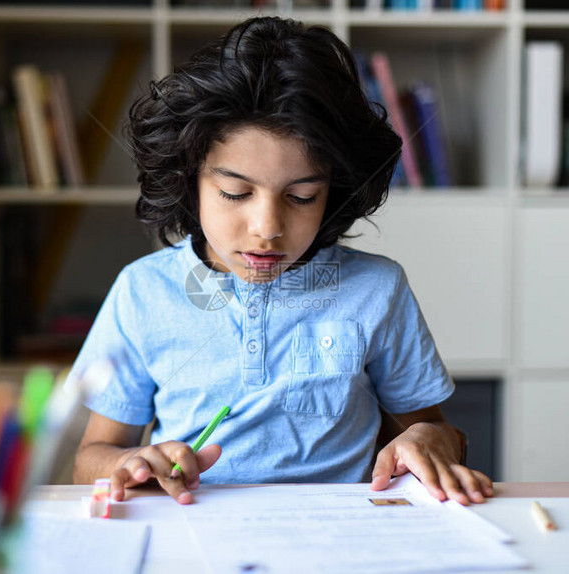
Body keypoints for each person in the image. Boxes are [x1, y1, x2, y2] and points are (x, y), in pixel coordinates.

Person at [68, 16, 493, 506]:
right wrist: (126, 464)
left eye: (302, 196)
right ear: (190, 181)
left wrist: (429, 441)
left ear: (333, 193)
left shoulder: (378, 289)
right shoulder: (142, 292)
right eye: (235, 192)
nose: (267, 227)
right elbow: (91, 458)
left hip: (342, 539)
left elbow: (439, 433)